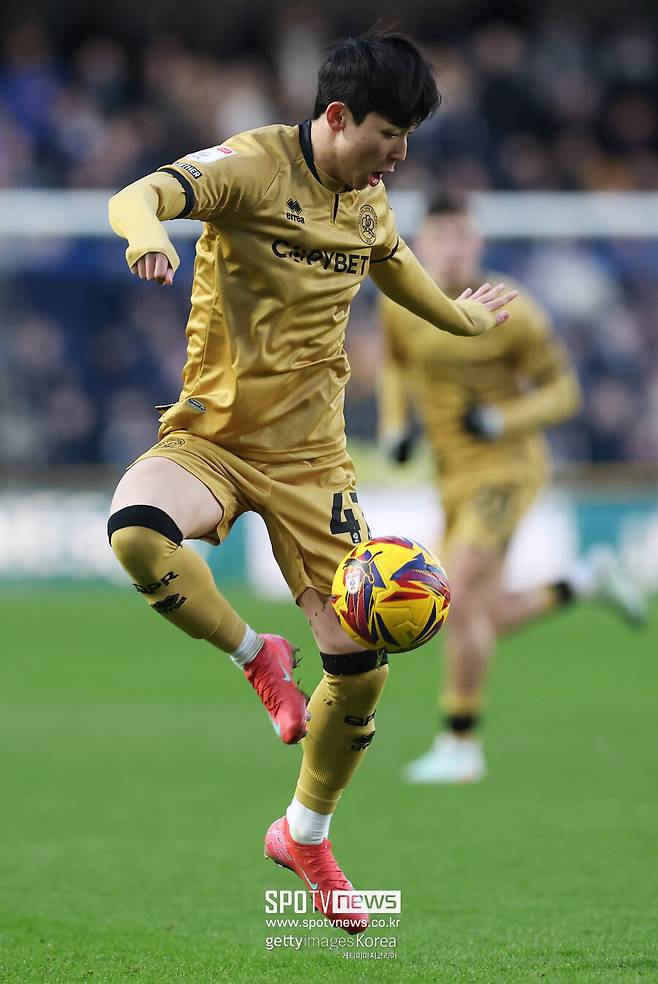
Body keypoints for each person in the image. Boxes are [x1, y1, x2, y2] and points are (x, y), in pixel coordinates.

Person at [107, 32, 517, 933]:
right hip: (212, 437)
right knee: (136, 532)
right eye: (388, 135)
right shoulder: (250, 166)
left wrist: (459, 320)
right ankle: (255, 654)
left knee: (361, 674)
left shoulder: (369, 201)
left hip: (313, 464)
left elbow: (395, 264)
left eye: (408, 138)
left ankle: (304, 834)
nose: (398, 155)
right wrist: (147, 236)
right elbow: (138, 195)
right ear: (337, 116)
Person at [378, 191, 646, 785]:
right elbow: (396, 365)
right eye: (441, 237)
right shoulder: (402, 302)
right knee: (475, 613)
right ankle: (582, 581)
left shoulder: (513, 311)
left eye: (462, 236)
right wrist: (396, 427)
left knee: (457, 589)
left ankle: (460, 742)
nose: (451, 249)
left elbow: (564, 393)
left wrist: (503, 420)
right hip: (451, 476)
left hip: (508, 469)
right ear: (424, 244)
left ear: (477, 242)